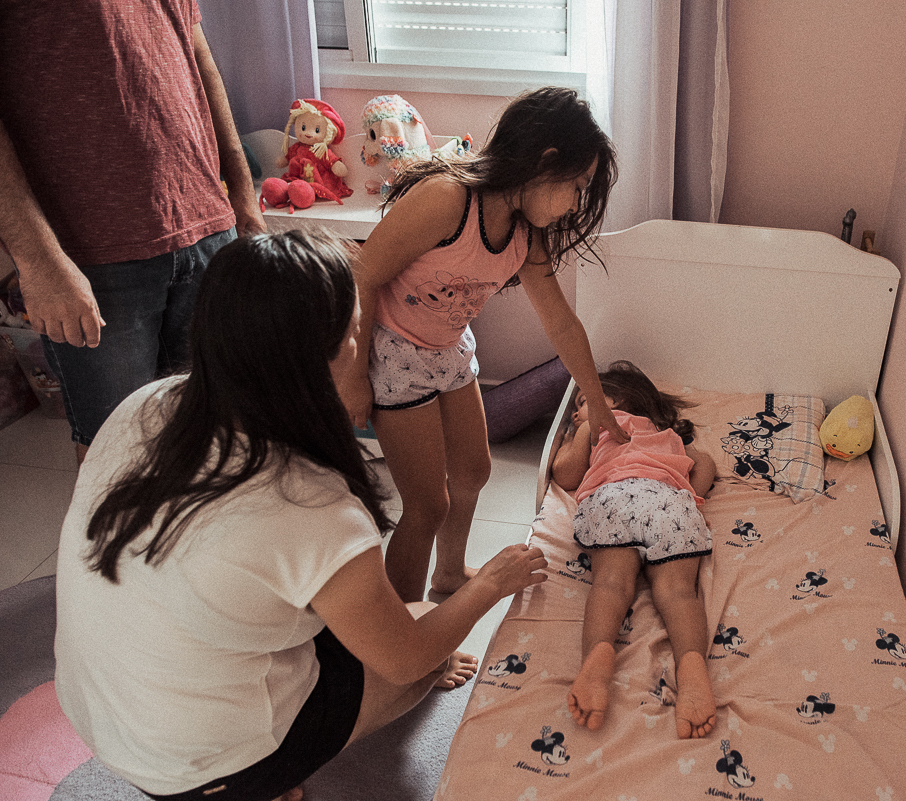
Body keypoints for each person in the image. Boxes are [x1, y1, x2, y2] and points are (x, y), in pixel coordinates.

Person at [54, 230, 548, 801]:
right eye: (359, 333)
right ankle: (255, 781)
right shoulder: (309, 503)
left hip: (100, 719)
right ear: (328, 358)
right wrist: (491, 583)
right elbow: (405, 656)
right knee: (425, 648)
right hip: (197, 766)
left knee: (388, 618)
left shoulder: (147, 403)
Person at [341, 86, 629, 604]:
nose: (574, 204)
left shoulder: (525, 235)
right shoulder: (447, 199)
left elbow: (563, 324)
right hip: (394, 352)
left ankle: (448, 575)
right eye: (576, 186)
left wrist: (599, 404)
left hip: (449, 348)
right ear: (546, 162)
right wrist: (354, 374)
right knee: (427, 506)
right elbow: (363, 274)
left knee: (474, 471)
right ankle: (405, 625)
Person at [0, 0, 266, 465]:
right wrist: (40, 262)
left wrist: (241, 189)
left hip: (208, 226)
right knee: (119, 459)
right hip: (93, 255)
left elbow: (198, 55)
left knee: (219, 436)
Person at [551, 361, 719, 739]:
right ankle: (691, 666)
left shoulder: (598, 425)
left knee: (611, 584)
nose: (576, 413)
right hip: (669, 502)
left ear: (612, 401)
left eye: (583, 402)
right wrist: (690, 500)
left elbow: (565, 474)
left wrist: (577, 436)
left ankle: (598, 654)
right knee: (679, 592)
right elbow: (706, 464)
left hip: (615, 498)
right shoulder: (669, 436)